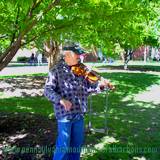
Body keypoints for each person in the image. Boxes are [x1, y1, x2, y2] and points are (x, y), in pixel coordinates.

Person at [44, 45, 115, 160]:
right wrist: (61, 100)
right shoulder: (56, 70)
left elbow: (89, 88)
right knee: (64, 146)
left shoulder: (81, 69)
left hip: (79, 114)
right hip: (64, 115)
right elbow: (47, 90)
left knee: (76, 146)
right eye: (77, 54)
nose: (80, 57)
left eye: (80, 54)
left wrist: (101, 86)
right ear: (67, 55)